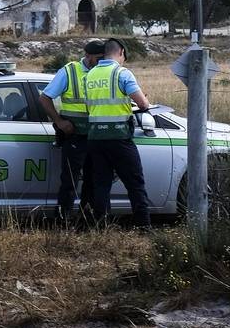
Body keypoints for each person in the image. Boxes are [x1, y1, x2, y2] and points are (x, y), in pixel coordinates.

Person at [81, 38, 156, 227]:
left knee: (101, 185)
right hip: (119, 137)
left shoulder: (88, 76)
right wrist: (143, 102)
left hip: (96, 138)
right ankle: (144, 226)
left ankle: (101, 226)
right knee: (135, 183)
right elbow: (142, 104)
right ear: (121, 52)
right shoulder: (121, 73)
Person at [37, 38, 102, 222]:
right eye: (98, 58)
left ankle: (88, 221)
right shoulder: (70, 71)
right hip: (75, 136)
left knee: (94, 180)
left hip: (97, 136)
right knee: (70, 182)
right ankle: (62, 220)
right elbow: (45, 98)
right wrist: (59, 121)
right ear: (88, 56)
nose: (101, 61)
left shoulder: (103, 72)